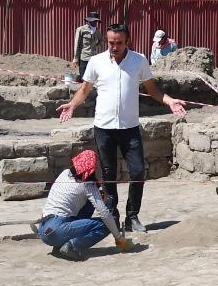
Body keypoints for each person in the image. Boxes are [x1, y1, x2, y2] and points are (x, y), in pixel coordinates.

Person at [58, 22, 188, 234]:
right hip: (104, 128)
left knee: (137, 172)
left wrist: (170, 101)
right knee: (109, 173)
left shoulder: (139, 61)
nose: (114, 46)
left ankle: (132, 216)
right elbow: (85, 89)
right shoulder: (96, 62)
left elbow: (153, 90)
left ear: (128, 41)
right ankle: (113, 216)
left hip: (130, 128)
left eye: (119, 42)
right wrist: (72, 105)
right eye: (111, 42)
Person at [33, 149, 129, 261]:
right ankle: (72, 246)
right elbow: (104, 214)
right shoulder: (87, 186)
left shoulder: (64, 173)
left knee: (88, 204)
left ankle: (59, 245)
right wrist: (118, 237)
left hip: (44, 228)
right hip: (58, 229)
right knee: (106, 225)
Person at [70, 11, 103, 81]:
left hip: (93, 58)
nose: (95, 23)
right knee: (84, 78)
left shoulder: (97, 31)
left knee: (92, 78)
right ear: (89, 21)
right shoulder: (81, 29)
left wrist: (96, 45)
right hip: (84, 58)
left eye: (96, 21)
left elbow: (101, 40)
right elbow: (77, 44)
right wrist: (75, 58)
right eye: (93, 21)